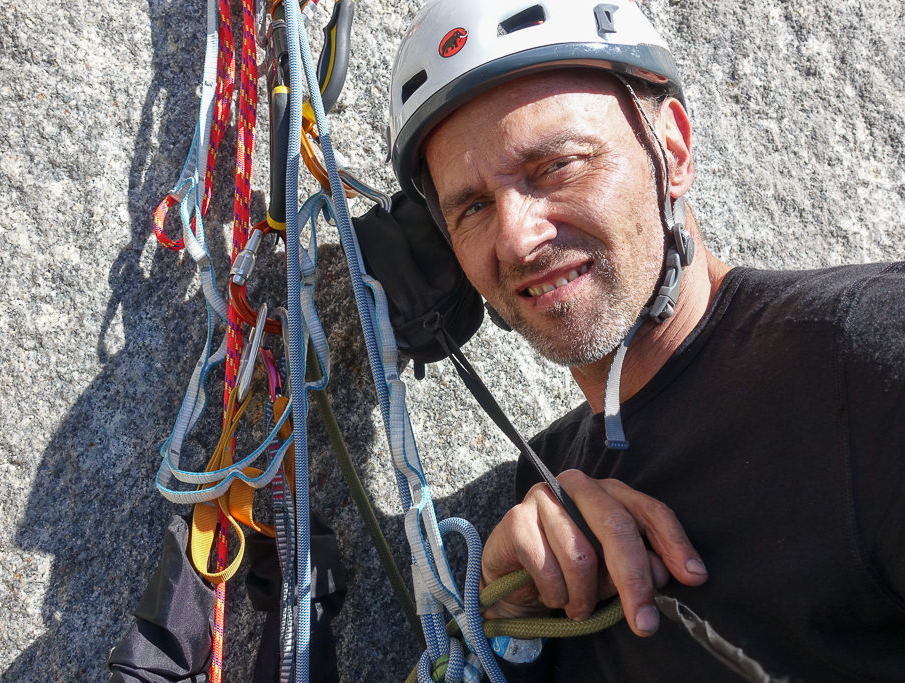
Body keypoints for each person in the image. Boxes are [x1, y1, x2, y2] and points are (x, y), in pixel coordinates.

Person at [387, 0, 905, 679]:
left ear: (674, 150)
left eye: (556, 165)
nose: (516, 237)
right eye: (474, 206)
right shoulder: (544, 489)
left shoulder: (869, 364)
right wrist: (512, 632)